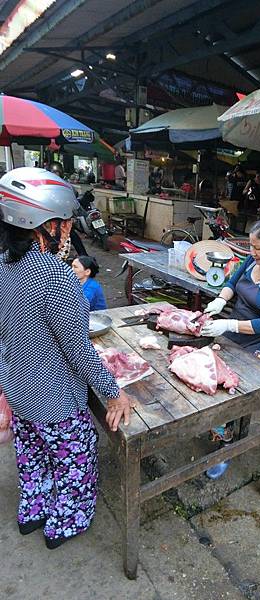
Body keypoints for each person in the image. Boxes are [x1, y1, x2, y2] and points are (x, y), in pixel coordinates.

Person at [0, 167, 132, 549]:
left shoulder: (5, 263)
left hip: (19, 390)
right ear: (46, 224)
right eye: (67, 222)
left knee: (32, 457)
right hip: (55, 400)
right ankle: (65, 522)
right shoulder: (56, 276)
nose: (70, 229)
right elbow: (80, 352)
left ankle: (33, 510)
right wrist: (114, 393)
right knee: (74, 464)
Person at [200, 218, 260, 478]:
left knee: (231, 383)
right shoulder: (252, 261)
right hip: (233, 331)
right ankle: (211, 422)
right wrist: (220, 301)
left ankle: (226, 443)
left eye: (257, 248)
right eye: (251, 247)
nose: (252, 253)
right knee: (201, 364)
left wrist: (228, 324)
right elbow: (231, 284)